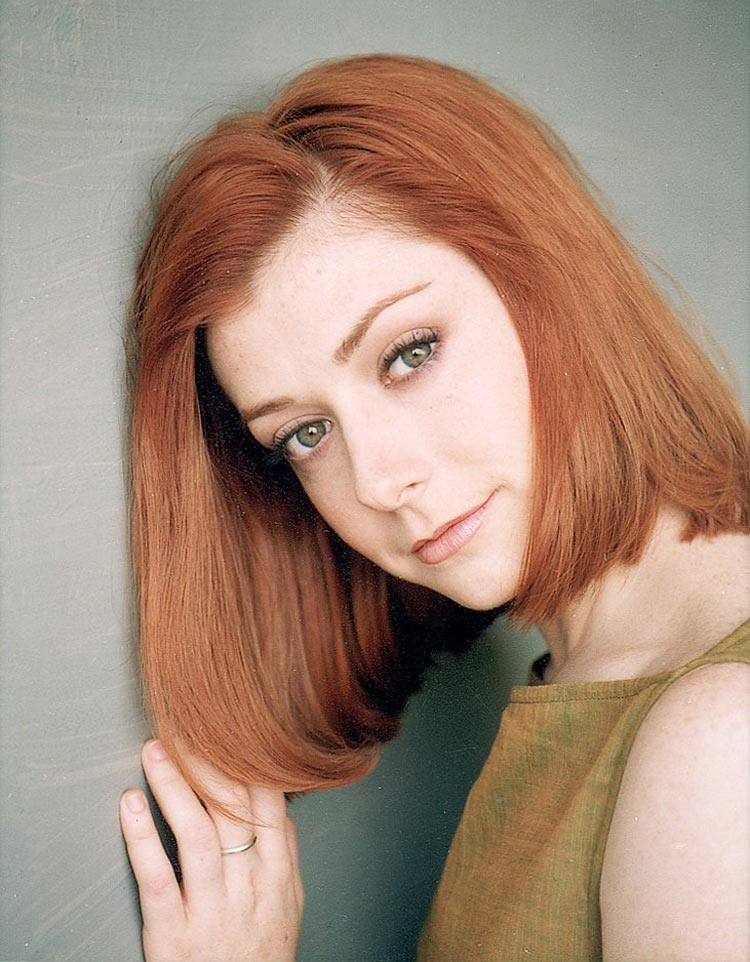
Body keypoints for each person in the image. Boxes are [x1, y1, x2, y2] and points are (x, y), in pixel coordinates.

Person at [120, 54, 750, 962]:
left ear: (556, 284)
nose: (378, 482)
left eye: (409, 353)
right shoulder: (592, 676)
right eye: (304, 434)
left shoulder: (720, 743)